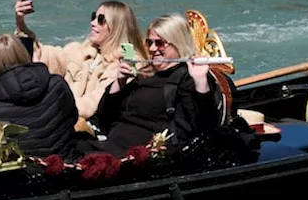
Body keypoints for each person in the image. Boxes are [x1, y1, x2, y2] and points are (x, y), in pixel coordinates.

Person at [89, 14, 221, 156]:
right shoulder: (144, 75)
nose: (152, 49)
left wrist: (201, 82)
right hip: (110, 145)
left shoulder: (187, 77)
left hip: (142, 156)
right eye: (149, 43)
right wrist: (119, 83)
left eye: (159, 43)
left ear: (178, 43)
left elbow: (206, 128)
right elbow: (103, 119)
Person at [14, 0, 147, 127]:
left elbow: (92, 104)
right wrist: (21, 22)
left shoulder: (127, 63)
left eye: (101, 19)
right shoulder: (82, 50)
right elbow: (44, 54)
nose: (93, 23)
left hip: (90, 128)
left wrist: (50, 104)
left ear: (117, 27)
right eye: (93, 16)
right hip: (63, 116)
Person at [0, 34, 80, 160]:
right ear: (25, 55)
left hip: (21, 174)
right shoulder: (57, 84)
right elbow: (73, 117)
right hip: (65, 166)